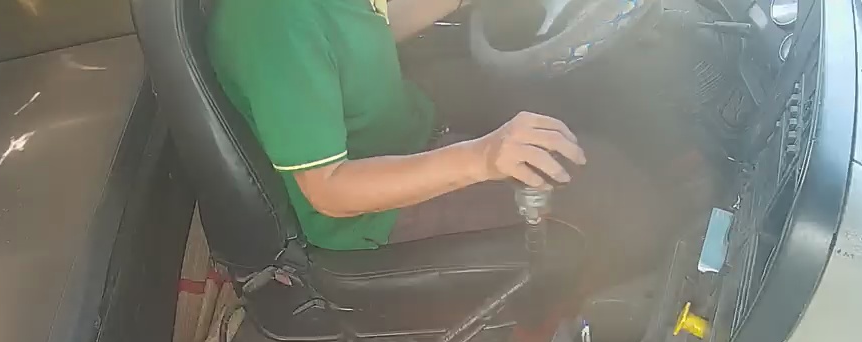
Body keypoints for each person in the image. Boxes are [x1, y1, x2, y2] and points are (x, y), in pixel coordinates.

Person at [208, 0, 588, 250]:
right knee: (598, 194)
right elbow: (328, 190)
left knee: (552, 97)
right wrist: (482, 157)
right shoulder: (272, 22)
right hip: (372, 213)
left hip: (408, 130)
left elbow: (359, 32)